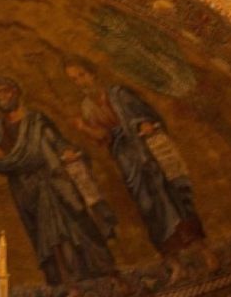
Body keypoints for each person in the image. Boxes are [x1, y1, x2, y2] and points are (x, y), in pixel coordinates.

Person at [64, 58, 204, 256]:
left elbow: (146, 114)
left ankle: (202, 249)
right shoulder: (87, 107)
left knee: (170, 194)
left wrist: (142, 123)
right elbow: (103, 136)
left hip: (146, 150)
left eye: (82, 75)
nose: (80, 81)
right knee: (147, 204)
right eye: (74, 79)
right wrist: (84, 127)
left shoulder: (119, 94)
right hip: (125, 159)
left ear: (92, 73)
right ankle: (172, 255)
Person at [0, 76, 116, 287]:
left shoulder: (36, 121)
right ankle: (66, 285)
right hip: (25, 191)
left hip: (52, 184)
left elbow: (57, 143)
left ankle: (102, 275)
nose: (2, 96)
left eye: (5, 90)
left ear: (16, 92)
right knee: (47, 240)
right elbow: (0, 162)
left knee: (71, 229)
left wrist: (68, 152)